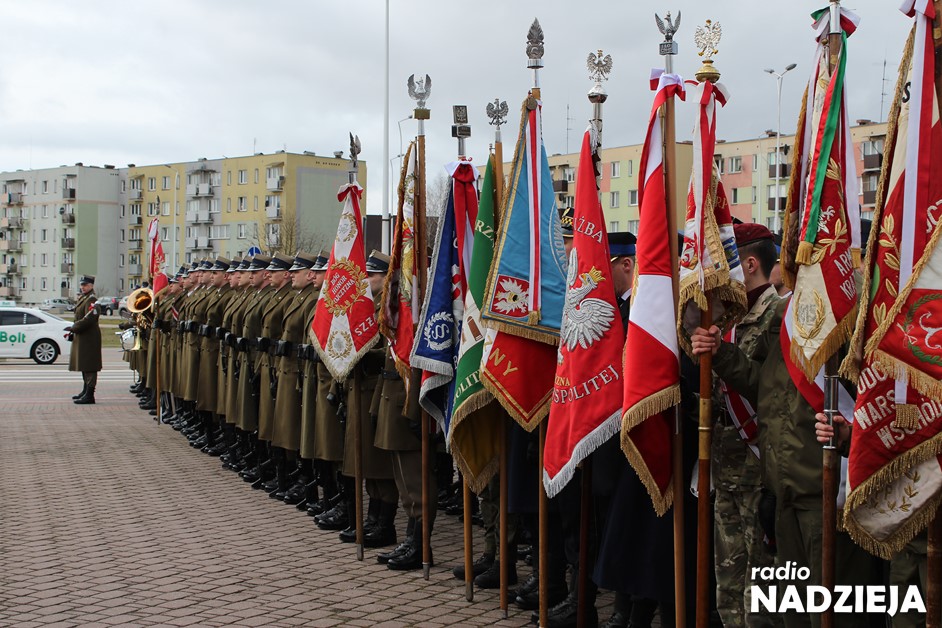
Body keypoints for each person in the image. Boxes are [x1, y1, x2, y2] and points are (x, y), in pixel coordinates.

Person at [711, 223, 782, 628]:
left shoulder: (777, 316)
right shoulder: (728, 318)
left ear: (749, 264)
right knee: (728, 578)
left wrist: (720, 352)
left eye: (728, 263)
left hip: (759, 467)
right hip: (726, 464)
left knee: (761, 583)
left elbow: (766, 389)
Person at [67, 275, 102, 405]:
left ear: (91, 286)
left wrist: (74, 327)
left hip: (89, 337)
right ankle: (85, 390)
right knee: (84, 364)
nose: (83, 287)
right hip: (83, 336)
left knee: (90, 366)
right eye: (82, 285)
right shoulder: (84, 298)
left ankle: (90, 394)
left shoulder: (92, 300)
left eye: (85, 285)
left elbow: (90, 318)